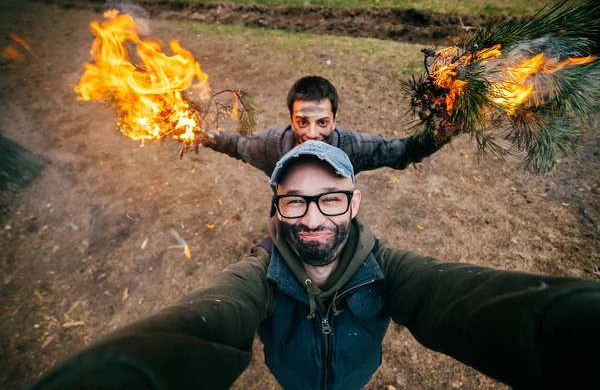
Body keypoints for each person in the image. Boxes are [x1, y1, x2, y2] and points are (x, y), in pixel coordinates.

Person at [32, 141, 600, 390]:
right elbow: (203, 320)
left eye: (330, 198)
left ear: (354, 201)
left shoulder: (390, 268)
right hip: (294, 381)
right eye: (294, 201)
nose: (312, 218)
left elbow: (458, 297)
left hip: (355, 378)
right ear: (277, 209)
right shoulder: (257, 275)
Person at [200, 75, 451, 177]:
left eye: (322, 122)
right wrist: (203, 136)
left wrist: (443, 130)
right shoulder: (270, 146)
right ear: (290, 119)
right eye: (302, 122)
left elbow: (405, 152)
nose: (312, 134)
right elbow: (236, 145)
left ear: (335, 119)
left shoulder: (353, 147)